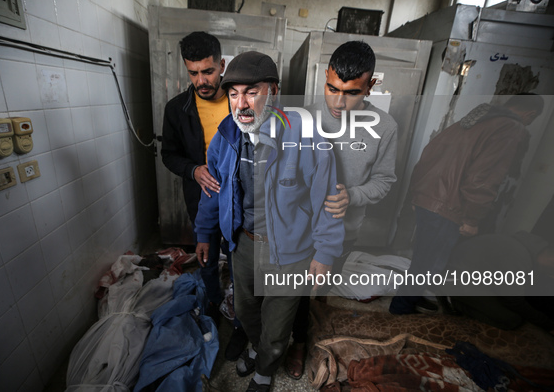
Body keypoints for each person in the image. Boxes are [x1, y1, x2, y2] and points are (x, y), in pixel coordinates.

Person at [195, 51, 344, 392]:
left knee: (278, 324)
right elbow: (213, 191)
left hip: (290, 249)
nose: (241, 103)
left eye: (251, 92)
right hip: (244, 243)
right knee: (245, 312)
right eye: (233, 94)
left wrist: (325, 252)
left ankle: (264, 370)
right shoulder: (226, 137)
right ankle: (253, 344)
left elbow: (327, 200)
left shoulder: (306, 135)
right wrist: (204, 232)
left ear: (274, 91)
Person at [285, 40, 398, 379]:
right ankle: (300, 342)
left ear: (371, 86)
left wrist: (354, 195)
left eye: (350, 93)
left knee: (321, 286)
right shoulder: (302, 117)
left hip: (345, 231)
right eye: (331, 88)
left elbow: (385, 180)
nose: (337, 101)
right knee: (296, 291)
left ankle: (314, 328)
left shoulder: (385, 127)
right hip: (301, 229)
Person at [389, 93, 544, 315]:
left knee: (424, 258)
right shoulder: (510, 128)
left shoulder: (471, 121)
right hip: (449, 206)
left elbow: (427, 156)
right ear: (530, 114)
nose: (529, 123)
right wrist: (472, 218)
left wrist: (418, 195)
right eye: (532, 119)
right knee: (429, 263)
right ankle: (401, 309)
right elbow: (484, 178)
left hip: (430, 198)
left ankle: (412, 299)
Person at [160, 31, 247, 360]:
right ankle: (212, 304)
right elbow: (170, 155)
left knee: (240, 265)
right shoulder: (177, 109)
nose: (201, 80)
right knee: (207, 259)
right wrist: (194, 170)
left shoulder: (241, 100)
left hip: (240, 202)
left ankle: (240, 322)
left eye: (208, 71)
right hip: (204, 202)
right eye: (193, 73)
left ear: (222, 65)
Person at [445, 232, 554, 333]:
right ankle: (454, 302)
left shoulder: (524, 246)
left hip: (467, 275)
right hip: (458, 280)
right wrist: (546, 323)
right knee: (511, 320)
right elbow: (513, 301)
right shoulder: (519, 256)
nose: (551, 275)